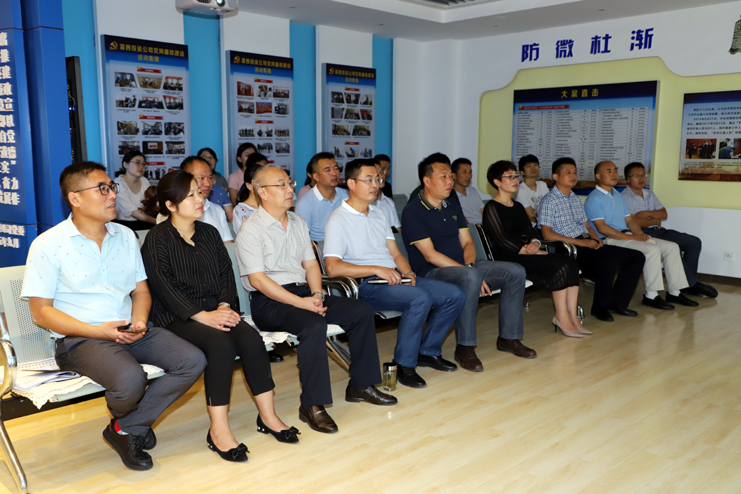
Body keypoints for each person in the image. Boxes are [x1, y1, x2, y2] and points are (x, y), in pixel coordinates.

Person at [21, 162, 206, 471]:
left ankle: (126, 427)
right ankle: (134, 424)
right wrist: (100, 331)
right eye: (102, 189)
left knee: (192, 360)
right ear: (75, 198)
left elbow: (140, 291)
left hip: (130, 329)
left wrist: (140, 321)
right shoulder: (48, 245)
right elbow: (41, 313)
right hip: (81, 339)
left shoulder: (125, 236)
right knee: (131, 380)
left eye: (112, 187)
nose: (112, 195)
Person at [141, 170, 297, 463]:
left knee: (251, 340)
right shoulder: (157, 239)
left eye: (198, 192)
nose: (199, 198)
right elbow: (163, 288)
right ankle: (218, 430)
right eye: (190, 195)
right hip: (177, 317)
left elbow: (226, 274)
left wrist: (224, 306)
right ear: (170, 205)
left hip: (216, 311)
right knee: (221, 346)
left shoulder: (210, 233)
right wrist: (203, 316)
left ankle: (268, 416)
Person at [237, 165, 397, 434]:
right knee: (313, 324)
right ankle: (312, 405)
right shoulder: (251, 228)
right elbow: (258, 281)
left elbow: (312, 265)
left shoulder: (297, 221)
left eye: (290, 183)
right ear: (262, 192)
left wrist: (317, 295)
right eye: (281, 185)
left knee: (360, 310)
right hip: (269, 301)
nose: (289, 189)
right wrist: (302, 303)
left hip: (304, 293)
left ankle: (360, 385)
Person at [324, 159, 466, 388]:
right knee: (420, 298)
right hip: (365, 285)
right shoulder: (338, 219)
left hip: (393, 277)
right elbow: (332, 267)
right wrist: (375, 269)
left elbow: (395, 253)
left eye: (377, 179)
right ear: (351, 183)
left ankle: (428, 351)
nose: (375, 185)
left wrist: (408, 272)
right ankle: (404, 365)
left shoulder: (379, 213)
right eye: (368, 180)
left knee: (455, 295)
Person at [401, 153, 535, 372]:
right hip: (432, 271)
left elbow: (468, 243)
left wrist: (470, 266)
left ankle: (509, 338)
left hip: (465, 266)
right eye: (443, 176)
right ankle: (465, 347)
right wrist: (469, 272)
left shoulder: (453, 205)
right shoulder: (413, 211)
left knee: (515, 271)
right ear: (427, 181)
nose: (449, 181)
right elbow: (430, 255)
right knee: (470, 277)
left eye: (450, 176)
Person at [483, 160, 584, 337]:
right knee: (560, 265)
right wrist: (530, 250)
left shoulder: (518, 206)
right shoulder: (491, 207)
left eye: (516, 176)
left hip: (528, 252)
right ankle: (561, 317)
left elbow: (531, 232)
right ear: (497, 182)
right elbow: (502, 241)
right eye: (509, 177)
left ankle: (573, 317)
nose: (515, 180)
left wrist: (536, 243)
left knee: (570, 262)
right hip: (510, 257)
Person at [539, 158, 645, 322]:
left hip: (585, 242)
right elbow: (547, 235)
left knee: (636, 256)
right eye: (568, 173)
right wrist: (581, 242)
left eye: (575, 172)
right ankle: (600, 308)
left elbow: (588, 226)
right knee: (607, 261)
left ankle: (618, 303)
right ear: (556, 176)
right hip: (567, 248)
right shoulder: (549, 201)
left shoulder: (575, 198)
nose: (573, 176)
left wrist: (596, 239)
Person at [584, 161, 697, 310]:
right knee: (651, 249)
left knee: (672, 247)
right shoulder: (594, 198)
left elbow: (630, 220)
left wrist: (641, 235)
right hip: (609, 240)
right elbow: (602, 228)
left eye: (615, 170)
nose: (614, 174)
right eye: (609, 171)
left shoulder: (617, 195)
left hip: (626, 235)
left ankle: (675, 293)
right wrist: (632, 237)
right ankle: (651, 295)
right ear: (598, 176)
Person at [621, 162, 718, 299]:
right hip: (642, 232)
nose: (641, 178)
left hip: (660, 230)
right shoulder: (623, 197)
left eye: (643, 175)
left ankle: (687, 284)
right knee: (674, 247)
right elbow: (634, 222)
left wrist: (647, 213)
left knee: (694, 242)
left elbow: (663, 214)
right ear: (627, 179)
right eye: (636, 175)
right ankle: (692, 285)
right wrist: (654, 220)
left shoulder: (649, 193)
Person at [155, 157, 233, 243]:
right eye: (201, 178)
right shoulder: (167, 215)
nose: (207, 183)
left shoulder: (217, 210)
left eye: (210, 177)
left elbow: (227, 244)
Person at [294, 152, 348, 241]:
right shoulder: (305, 203)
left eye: (336, 168)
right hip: (319, 246)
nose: (334, 173)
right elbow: (301, 239)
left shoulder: (346, 196)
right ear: (316, 176)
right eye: (328, 170)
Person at [113, 151, 155, 230]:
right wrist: (158, 222)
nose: (141, 166)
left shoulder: (144, 180)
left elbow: (150, 203)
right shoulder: (118, 183)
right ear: (125, 165)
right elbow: (133, 213)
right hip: (125, 225)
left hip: (144, 221)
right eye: (137, 163)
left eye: (143, 164)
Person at [233, 153, 268, 234]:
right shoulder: (240, 210)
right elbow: (245, 236)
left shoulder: (270, 205)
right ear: (249, 186)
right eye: (259, 183)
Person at [513, 154, 549, 227]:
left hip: (545, 224)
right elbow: (532, 217)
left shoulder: (543, 185)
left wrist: (537, 211)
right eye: (529, 166)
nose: (533, 168)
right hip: (530, 227)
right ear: (522, 172)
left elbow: (551, 208)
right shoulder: (519, 190)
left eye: (535, 165)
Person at [451, 157, 488, 225]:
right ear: (453, 175)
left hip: (484, 226)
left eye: (470, 172)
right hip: (470, 228)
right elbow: (462, 222)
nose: (468, 175)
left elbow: (484, 212)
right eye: (464, 172)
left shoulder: (473, 191)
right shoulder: (450, 196)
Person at [371, 161, 402, 233]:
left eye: (382, 172)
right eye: (377, 174)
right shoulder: (365, 204)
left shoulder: (389, 202)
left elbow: (398, 229)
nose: (381, 176)